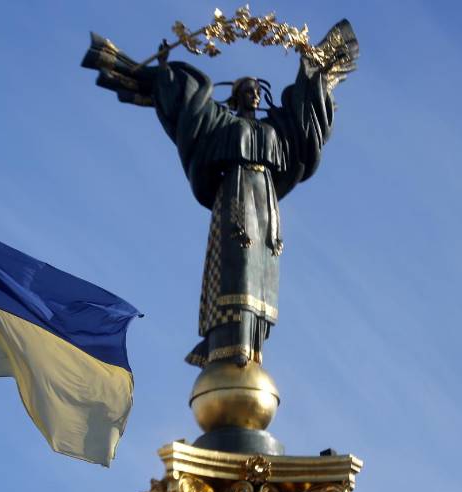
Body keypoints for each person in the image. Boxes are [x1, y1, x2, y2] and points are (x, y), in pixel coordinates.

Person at [83, 20, 358, 367]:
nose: (253, 93)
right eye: (247, 88)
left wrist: (315, 74)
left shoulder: (277, 129)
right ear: (237, 93)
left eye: (257, 89)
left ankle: (253, 344)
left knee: (261, 272)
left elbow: (306, 120)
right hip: (236, 196)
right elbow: (189, 104)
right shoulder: (222, 124)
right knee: (237, 266)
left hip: (266, 206)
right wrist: (167, 73)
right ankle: (227, 341)